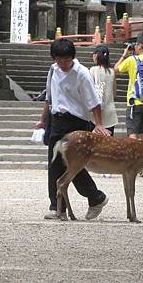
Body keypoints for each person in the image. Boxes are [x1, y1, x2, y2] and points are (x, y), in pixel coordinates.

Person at [34, 38, 111, 220]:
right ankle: (57, 206)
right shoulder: (53, 70)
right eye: (59, 60)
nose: (63, 64)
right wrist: (42, 120)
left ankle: (94, 197)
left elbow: (94, 102)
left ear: (72, 58)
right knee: (55, 164)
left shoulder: (82, 73)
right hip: (56, 121)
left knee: (72, 165)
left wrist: (98, 124)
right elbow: (49, 98)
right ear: (54, 59)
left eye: (66, 60)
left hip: (75, 122)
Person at [114, 35, 143, 177]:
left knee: (133, 136)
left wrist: (124, 55)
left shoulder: (132, 60)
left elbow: (116, 70)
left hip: (134, 103)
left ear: (139, 46)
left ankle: (132, 165)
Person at [90, 45, 118, 135]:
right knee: (107, 143)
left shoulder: (93, 70)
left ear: (96, 55)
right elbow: (114, 92)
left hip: (95, 113)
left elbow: (89, 90)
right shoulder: (111, 72)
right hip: (110, 112)